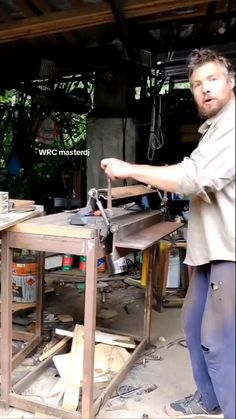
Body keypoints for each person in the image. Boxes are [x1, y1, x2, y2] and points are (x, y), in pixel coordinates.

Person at [101, 49, 235, 419]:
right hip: (207, 248)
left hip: (230, 249)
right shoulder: (214, 129)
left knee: (220, 341)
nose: (204, 89)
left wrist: (131, 169)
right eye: (196, 84)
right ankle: (209, 399)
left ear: (231, 81)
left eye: (212, 79)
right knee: (193, 327)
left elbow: (193, 177)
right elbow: (192, 174)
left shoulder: (234, 125)